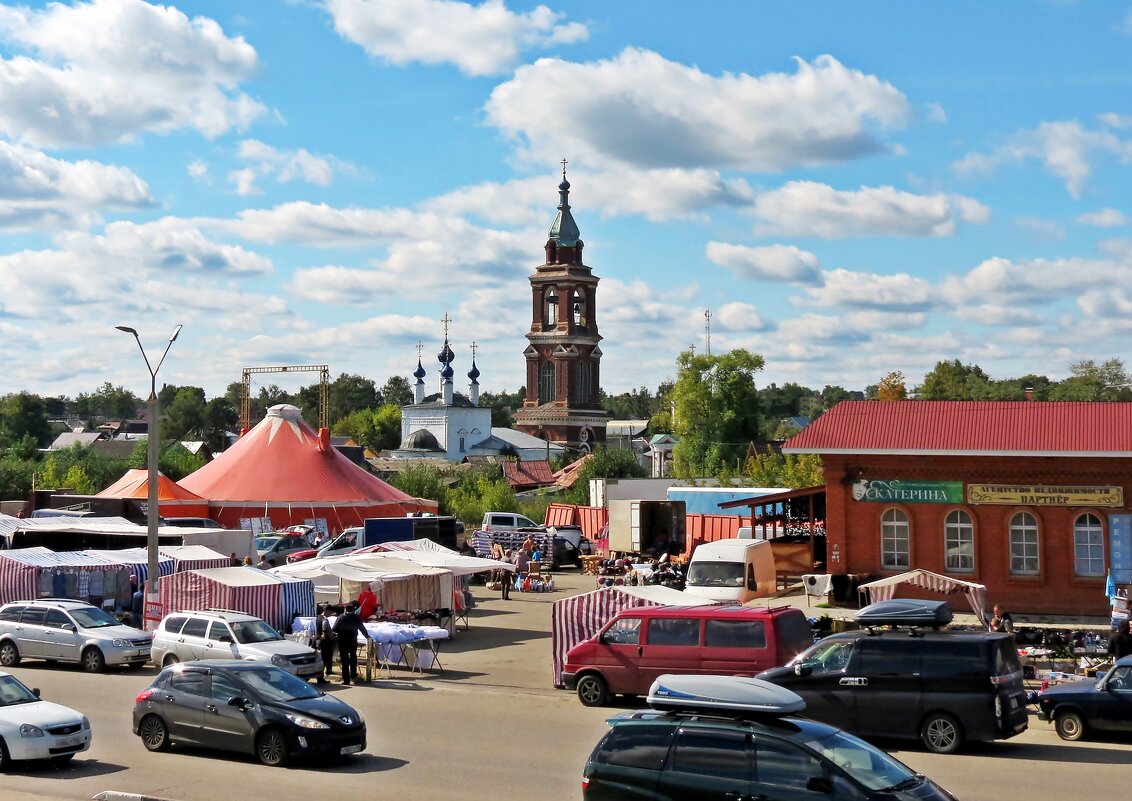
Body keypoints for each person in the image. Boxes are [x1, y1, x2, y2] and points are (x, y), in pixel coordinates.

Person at [332, 601, 371, 685]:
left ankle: (346, 680)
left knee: (344, 659)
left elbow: (334, 629)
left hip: (342, 640)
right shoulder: (357, 617)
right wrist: (367, 636)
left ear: (345, 609)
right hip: (353, 640)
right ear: (354, 610)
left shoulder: (341, 617)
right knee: (353, 657)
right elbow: (362, 628)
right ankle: (353, 675)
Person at [315, 605, 337, 681]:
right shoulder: (324, 619)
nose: (330, 614)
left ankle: (320, 677)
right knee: (324, 660)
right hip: (325, 641)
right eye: (330, 613)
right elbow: (324, 630)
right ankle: (320, 678)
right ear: (327, 611)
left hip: (319, 641)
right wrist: (326, 634)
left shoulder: (317, 617)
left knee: (322, 659)